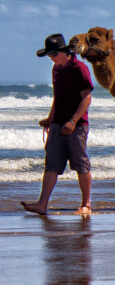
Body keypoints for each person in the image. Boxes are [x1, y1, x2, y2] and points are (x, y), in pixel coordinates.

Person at [22, 34, 93, 216]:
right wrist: (50, 118)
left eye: (53, 54)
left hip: (77, 126)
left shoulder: (80, 68)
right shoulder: (56, 69)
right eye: (50, 55)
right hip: (57, 124)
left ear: (64, 52)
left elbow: (86, 98)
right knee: (51, 164)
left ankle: (86, 204)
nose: (51, 58)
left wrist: (73, 121)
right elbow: (58, 98)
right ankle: (42, 204)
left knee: (81, 164)